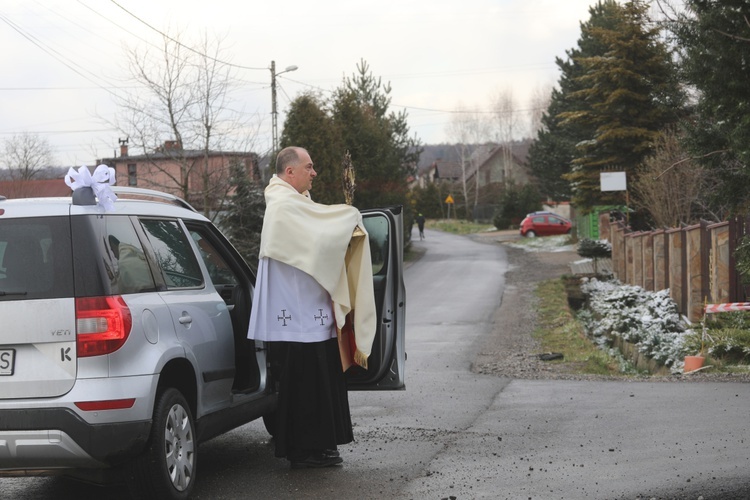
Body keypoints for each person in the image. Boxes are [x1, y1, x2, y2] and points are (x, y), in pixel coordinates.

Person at [247, 146, 377, 469]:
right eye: (309, 166)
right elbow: (315, 241)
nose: (314, 172)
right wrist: (347, 219)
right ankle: (302, 450)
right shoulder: (281, 207)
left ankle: (321, 445)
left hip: (312, 310)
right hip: (294, 317)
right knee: (303, 382)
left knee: (320, 378)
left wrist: (345, 231)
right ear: (290, 172)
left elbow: (319, 239)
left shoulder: (298, 204)